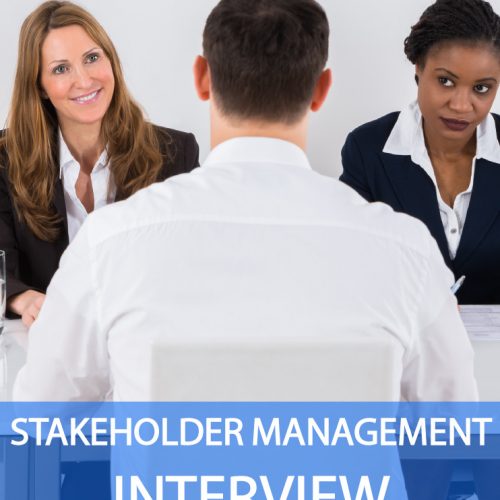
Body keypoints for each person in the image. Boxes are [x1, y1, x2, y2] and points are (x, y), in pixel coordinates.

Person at [14, 0, 476, 403]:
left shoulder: (109, 243)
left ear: (201, 78)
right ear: (321, 90)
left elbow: (40, 415)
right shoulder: (408, 251)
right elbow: (456, 437)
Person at [0, 0, 199, 326]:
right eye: (60, 69)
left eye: (92, 58)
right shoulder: (5, 159)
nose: (84, 80)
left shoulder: (176, 154)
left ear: (111, 61)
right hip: (44, 346)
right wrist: (23, 298)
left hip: (142, 341)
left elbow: (193, 264)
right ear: (40, 86)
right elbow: (1, 260)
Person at [340, 0, 500, 305]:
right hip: (403, 333)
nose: (461, 106)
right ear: (418, 69)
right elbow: (351, 263)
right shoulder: (367, 149)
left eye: (481, 88)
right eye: (445, 81)